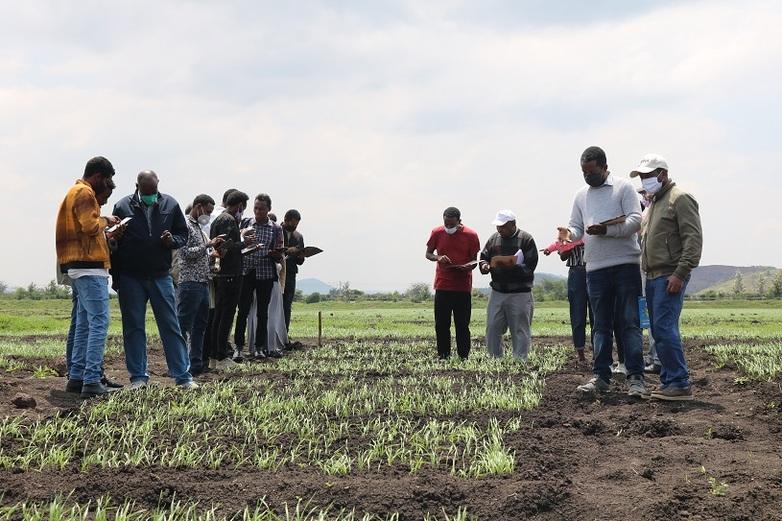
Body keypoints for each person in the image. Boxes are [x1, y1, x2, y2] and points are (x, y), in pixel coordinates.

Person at [559, 146, 647, 397]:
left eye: (592, 172)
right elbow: (577, 228)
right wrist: (568, 236)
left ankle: (636, 378)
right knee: (600, 324)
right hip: (595, 268)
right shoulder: (580, 196)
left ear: (604, 167)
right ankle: (601, 376)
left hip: (625, 265)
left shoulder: (623, 187)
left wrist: (606, 231)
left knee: (629, 322)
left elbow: (635, 220)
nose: (588, 177)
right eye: (584, 173)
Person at [111, 170, 197, 389]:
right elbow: (114, 243)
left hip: (160, 275)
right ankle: (138, 377)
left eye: (154, 190)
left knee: (170, 325)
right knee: (133, 327)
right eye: (146, 191)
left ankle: (183, 376)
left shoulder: (170, 204)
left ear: (158, 184)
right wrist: (116, 277)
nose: (150, 195)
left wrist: (172, 241)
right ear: (137, 186)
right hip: (131, 277)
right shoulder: (122, 206)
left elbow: (182, 235)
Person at [632, 153, 702, 400]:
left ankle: (679, 382)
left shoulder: (679, 198)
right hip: (652, 276)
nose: (644, 180)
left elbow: (693, 241)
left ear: (662, 174)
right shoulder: (654, 203)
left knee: (664, 328)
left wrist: (680, 274)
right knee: (659, 330)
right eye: (641, 176)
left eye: (648, 175)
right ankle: (669, 382)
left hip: (668, 275)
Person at [55, 156, 120, 398]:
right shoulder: (85, 192)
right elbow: (90, 226)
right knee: (99, 324)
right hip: (89, 267)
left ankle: (77, 377)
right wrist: (107, 220)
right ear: (99, 177)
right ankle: (92, 380)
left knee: (83, 325)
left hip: (78, 266)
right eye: (107, 180)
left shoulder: (73, 191)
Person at [479, 210, 538, 360]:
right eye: (498, 227)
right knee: (492, 327)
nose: (499, 230)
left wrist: (511, 266)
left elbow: (530, 266)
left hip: (520, 292)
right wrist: (485, 266)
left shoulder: (526, 239)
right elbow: (483, 257)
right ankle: (495, 359)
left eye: (503, 226)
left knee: (519, 329)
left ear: (512, 225)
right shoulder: (494, 239)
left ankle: (520, 360)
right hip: (498, 291)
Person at [177, 194, 224, 376]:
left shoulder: (198, 228)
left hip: (202, 282)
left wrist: (211, 252)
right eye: (208, 211)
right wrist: (207, 246)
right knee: (184, 325)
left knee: (200, 326)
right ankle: (180, 365)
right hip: (189, 282)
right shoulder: (185, 226)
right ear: (198, 207)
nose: (208, 215)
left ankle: (195, 364)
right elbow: (185, 253)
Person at [425, 207, 480, 360]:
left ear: (458, 221)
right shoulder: (437, 232)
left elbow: (474, 260)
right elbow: (428, 254)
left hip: (462, 287)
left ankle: (463, 356)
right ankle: (443, 355)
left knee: (462, 325)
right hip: (443, 285)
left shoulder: (471, 235)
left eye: (451, 224)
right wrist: (438, 257)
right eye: (446, 223)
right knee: (441, 324)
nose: (448, 227)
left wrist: (467, 267)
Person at [234, 193, 284, 359]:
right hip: (247, 271)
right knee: (242, 311)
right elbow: (238, 244)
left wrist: (273, 253)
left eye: (261, 209)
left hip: (265, 273)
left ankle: (259, 347)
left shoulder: (276, 229)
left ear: (268, 209)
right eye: (256, 208)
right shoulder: (246, 223)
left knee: (263, 311)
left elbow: (279, 252)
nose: (258, 211)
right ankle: (239, 347)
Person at [209, 190, 251, 369]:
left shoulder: (219, 219)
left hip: (223, 274)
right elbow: (226, 248)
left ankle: (214, 356)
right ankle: (220, 356)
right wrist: (245, 244)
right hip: (230, 275)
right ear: (240, 205)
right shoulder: (228, 220)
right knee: (225, 316)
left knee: (219, 315)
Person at [282, 209, 305, 333]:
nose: (294, 226)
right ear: (286, 220)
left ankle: (285, 333)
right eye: (292, 224)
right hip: (276, 273)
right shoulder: (276, 231)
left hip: (290, 274)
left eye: (296, 224)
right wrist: (287, 250)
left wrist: (301, 257)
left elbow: (299, 261)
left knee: (287, 305)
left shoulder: (298, 236)